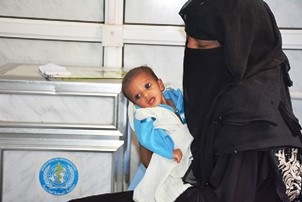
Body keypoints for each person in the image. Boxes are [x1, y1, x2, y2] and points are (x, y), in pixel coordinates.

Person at [175, 0, 302, 201]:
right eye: (188, 41)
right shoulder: (260, 82)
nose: (191, 50)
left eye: (202, 45)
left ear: (240, 51)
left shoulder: (248, 123)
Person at [69, 66, 193, 202]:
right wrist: (169, 151)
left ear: (160, 84)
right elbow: (148, 139)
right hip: (171, 154)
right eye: (138, 96)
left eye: (147, 86)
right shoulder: (146, 116)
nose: (145, 95)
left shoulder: (177, 97)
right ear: (135, 104)